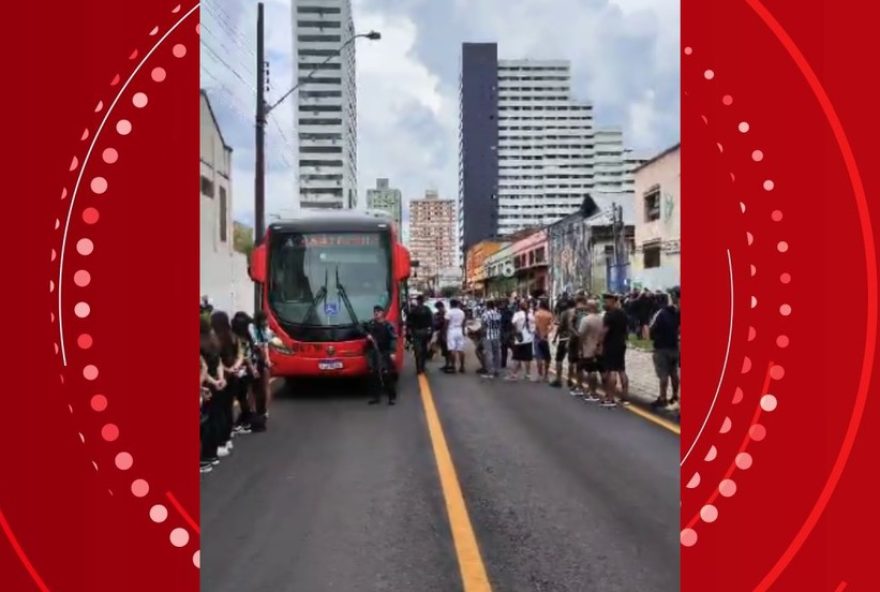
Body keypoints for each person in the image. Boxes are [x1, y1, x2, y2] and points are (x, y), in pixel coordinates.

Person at [210, 311, 241, 458]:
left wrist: (227, 370)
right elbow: (241, 354)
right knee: (228, 408)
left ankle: (221, 442)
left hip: (220, 378)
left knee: (218, 411)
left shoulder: (214, 340)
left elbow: (217, 361)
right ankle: (228, 439)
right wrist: (235, 366)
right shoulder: (234, 336)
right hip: (234, 376)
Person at [649, 292, 681, 408]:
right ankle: (675, 395)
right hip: (674, 347)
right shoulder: (679, 313)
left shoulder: (661, 313)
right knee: (674, 373)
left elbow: (652, 329)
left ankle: (663, 398)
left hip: (661, 348)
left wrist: (653, 337)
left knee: (663, 374)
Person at [364, 305, 398, 405]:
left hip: (385, 352)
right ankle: (376, 397)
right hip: (373, 353)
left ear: (382, 313)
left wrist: (392, 352)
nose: (376, 313)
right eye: (375, 312)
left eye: (378, 311)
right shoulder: (371, 324)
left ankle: (391, 397)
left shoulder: (388, 325)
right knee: (374, 375)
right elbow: (361, 328)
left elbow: (393, 338)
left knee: (386, 374)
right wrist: (367, 335)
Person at [601, 293, 630, 406]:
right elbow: (626, 329)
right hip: (621, 344)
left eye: (607, 301)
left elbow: (604, 331)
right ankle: (625, 397)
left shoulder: (609, 314)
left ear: (613, 301)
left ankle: (610, 398)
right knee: (621, 370)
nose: (605, 303)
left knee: (611, 370)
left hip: (611, 345)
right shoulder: (623, 313)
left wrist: (599, 343)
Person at [231, 312, 257, 434]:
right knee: (243, 397)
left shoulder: (238, 339)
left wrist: (252, 369)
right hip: (246, 371)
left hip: (242, 371)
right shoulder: (247, 337)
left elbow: (245, 357)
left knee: (241, 397)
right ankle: (246, 419)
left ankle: (245, 421)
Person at [249, 311, 274, 430]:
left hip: (262, 358)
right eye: (264, 320)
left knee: (265, 385)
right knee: (252, 387)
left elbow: (266, 346)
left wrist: (267, 360)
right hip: (253, 359)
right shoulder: (251, 328)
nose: (266, 322)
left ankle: (265, 410)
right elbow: (256, 344)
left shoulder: (266, 330)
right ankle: (252, 410)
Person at [577, 300, 605, 404]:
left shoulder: (586, 320)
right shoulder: (602, 319)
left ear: (589, 307)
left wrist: (580, 349)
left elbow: (581, 336)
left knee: (590, 371)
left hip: (588, 348)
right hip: (600, 348)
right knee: (600, 370)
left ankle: (592, 392)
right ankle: (604, 392)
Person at [507, 300, 536, 381]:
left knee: (516, 357)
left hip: (519, 338)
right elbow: (534, 325)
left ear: (519, 307)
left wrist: (516, 329)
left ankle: (514, 374)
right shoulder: (531, 315)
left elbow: (513, 322)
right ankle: (527, 374)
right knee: (527, 358)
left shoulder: (517, 314)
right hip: (529, 338)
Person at [550, 298, 575, 388]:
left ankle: (558, 379)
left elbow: (560, 327)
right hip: (574, 339)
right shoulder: (577, 312)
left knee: (559, 359)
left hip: (564, 338)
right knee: (572, 360)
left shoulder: (565, 313)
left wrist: (555, 337)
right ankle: (570, 379)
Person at [567, 295, 589, 395]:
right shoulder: (587, 312)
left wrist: (576, 334)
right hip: (585, 340)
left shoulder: (575, 312)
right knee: (581, 363)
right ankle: (580, 384)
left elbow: (570, 325)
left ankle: (577, 384)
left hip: (576, 339)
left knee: (575, 362)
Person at [407, 295, 434, 374]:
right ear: (423, 301)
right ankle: (422, 367)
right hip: (425, 332)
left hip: (416, 332)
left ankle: (419, 368)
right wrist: (431, 332)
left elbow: (409, 322)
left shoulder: (413, 310)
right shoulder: (427, 309)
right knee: (424, 350)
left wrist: (408, 334)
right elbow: (432, 322)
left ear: (417, 301)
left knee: (417, 351)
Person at [480, 300, 503, 379]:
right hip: (496, 335)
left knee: (489, 354)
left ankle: (490, 372)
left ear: (487, 306)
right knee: (497, 353)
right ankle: (497, 370)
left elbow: (483, 326)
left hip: (488, 336)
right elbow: (500, 325)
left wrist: (482, 334)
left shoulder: (485, 314)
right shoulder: (498, 314)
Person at [533, 300, 554, 383]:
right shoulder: (549, 314)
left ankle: (539, 374)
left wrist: (539, 334)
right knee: (547, 357)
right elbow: (551, 327)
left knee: (538, 356)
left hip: (537, 337)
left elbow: (537, 326)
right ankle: (546, 375)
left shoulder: (537, 313)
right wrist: (545, 333)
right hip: (545, 337)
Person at [444, 299, 467, 373]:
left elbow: (446, 324)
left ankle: (453, 366)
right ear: (457, 304)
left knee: (452, 350)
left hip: (451, 331)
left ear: (450, 304)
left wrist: (444, 333)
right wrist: (463, 331)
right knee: (461, 350)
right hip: (459, 330)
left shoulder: (449, 312)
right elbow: (464, 322)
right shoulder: (462, 312)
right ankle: (462, 366)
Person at [433, 301, 451, 370]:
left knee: (446, 350)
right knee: (445, 350)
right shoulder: (441, 313)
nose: (438, 309)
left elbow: (442, 324)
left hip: (444, 334)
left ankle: (448, 365)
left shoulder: (444, 313)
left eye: (438, 308)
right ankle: (447, 364)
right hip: (443, 333)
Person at [499, 299, 515, 369]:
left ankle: (503, 363)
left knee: (504, 349)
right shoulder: (510, 312)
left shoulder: (503, 313)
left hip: (505, 333)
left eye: (502, 304)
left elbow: (503, 324)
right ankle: (517, 362)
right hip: (509, 333)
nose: (501, 305)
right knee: (511, 348)